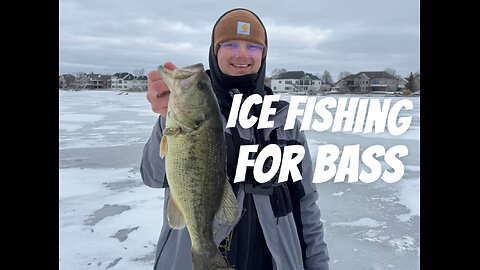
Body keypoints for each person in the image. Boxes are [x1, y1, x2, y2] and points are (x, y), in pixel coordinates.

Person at [141, 8, 329, 270]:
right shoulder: (194, 112)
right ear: (214, 51)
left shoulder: (285, 125)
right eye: (229, 44)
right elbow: (153, 176)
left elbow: (306, 208)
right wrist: (165, 119)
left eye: (253, 47)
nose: (241, 54)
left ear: (263, 55)